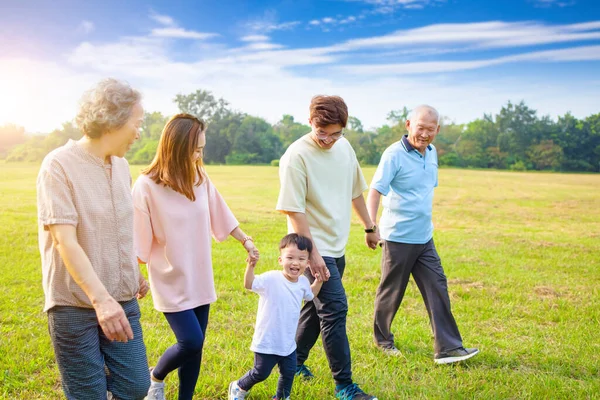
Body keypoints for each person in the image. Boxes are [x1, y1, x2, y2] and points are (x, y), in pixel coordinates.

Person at [132, 113, 259, 400]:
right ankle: (156, 377)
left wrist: (246, 241)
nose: (200, 155)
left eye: (202, 148)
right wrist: (134, 273)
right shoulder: (146, 187)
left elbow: (220, 213)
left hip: (199, 275)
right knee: (190, 341)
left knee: (196, 346)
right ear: (176, 147)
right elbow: (137, 241)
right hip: (169, 277)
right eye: (196, 149)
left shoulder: (199, 177)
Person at [36, 78, 150, 399]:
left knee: (136, 385)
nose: (139, 133)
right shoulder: (58, 165)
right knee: (88, 394)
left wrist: (131, 270)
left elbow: (116, 228)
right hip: (76, 304)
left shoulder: (122, 165)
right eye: (136, 124)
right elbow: (64, 241)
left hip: (123, 299)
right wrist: (101, 302)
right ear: (113, 120)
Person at [275, 95, 379, 400]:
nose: (328, 140)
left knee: (314, 310)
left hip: (337, 244)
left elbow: (356, 191)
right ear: (311, 122)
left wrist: (370, 227)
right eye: (322, 133)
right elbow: (295, 212)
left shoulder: (343, 147)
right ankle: (344, 385)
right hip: (311, 247)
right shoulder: (296, 156)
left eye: (335, 133)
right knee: (335, 309)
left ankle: (294, 362)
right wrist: (313, 255)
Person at [366, 105, 479, 364]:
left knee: (437, 287)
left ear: (437, 130)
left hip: (424, 237)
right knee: (391, 291)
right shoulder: (394, 154)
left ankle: (448, 348)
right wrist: (371, 226)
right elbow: (375, 191)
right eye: (421, 128)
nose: (425, 134)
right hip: (398, 238)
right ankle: (383, 341)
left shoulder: (432, 152)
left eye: (431, 129)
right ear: (408, 125)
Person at [228, 234, 324, 400]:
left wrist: (319, 281)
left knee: (289, 373)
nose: (295, 263)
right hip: (267, 340)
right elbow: (249, 284)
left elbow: (310, 295)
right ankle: (239, 386)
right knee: (261, 372)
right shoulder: (272, 278)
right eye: (290, 258)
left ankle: (280, 397)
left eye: (301, 259)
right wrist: (251, 266)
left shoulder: (302, 282)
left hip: (287, 342)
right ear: (280, 260)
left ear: (307, 263)